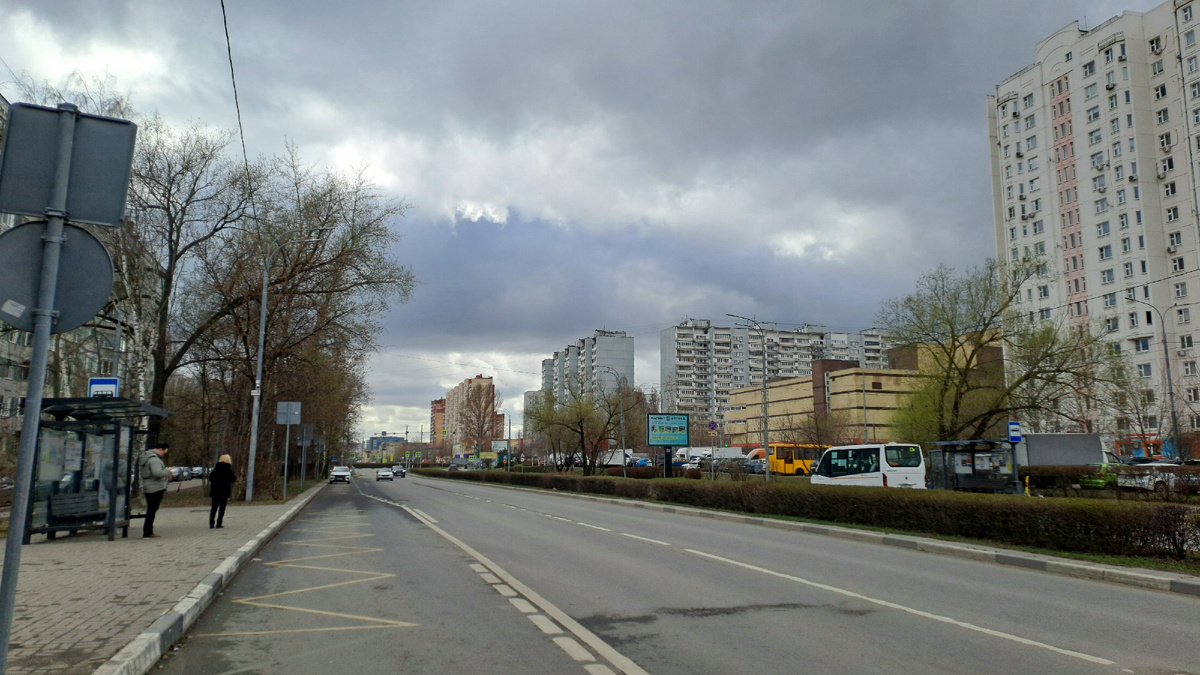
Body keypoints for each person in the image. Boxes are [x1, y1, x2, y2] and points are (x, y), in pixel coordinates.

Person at [139, 443, 170, 538]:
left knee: (151, 509)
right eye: (164, 452)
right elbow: (157, 473)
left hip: (149, 486)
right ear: (160, 449)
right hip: (155, 487)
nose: (163, 455)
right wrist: (167, 471)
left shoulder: (147, 457)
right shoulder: (154, 460)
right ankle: (148, 532)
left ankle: (148, 531)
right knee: (152, 509)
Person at [208, 454, 236, 529]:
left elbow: (210, 478)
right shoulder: (228, 470)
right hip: (224, 491)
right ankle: (219, 523)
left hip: (215, 491)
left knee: (214, 507)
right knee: (222, 507)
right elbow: (233, 479)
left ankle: (211, 523)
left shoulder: (215, 469)